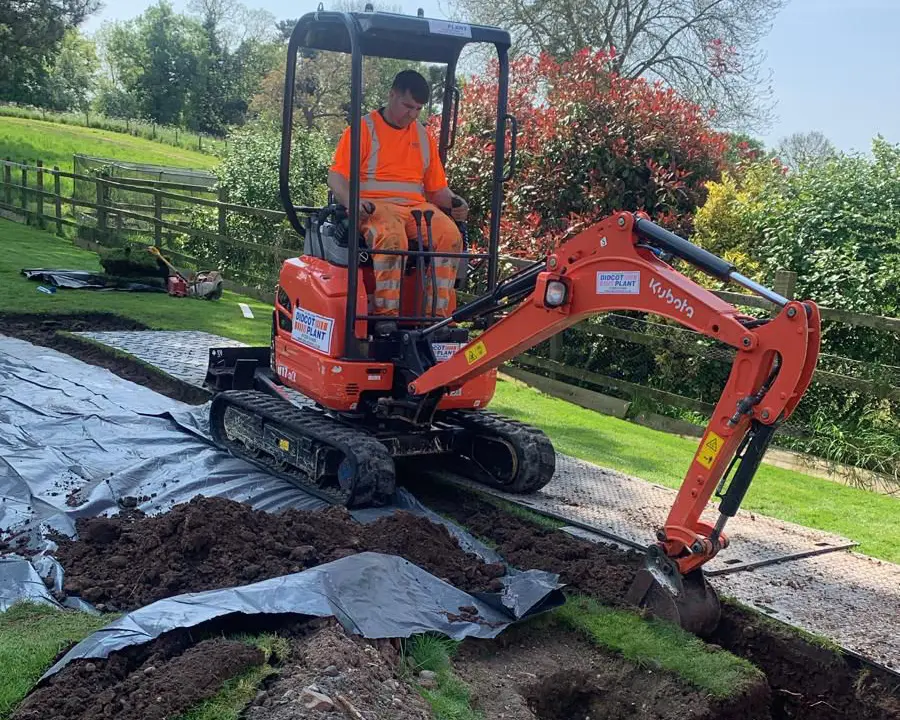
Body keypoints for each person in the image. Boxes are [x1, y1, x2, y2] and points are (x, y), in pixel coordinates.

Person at [328, 69, 468, 335]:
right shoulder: (362, 130)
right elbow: (336, 179)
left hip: (416, 210)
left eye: (418, 109)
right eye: (407, 106)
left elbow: (437, 190)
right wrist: (353, 202)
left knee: (450, 236)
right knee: (393, 239)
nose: (413, 114)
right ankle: (385, 318)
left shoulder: (423, 137)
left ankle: (436, 321)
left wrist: (455, 202)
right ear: (391, 95)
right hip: (374, 208)